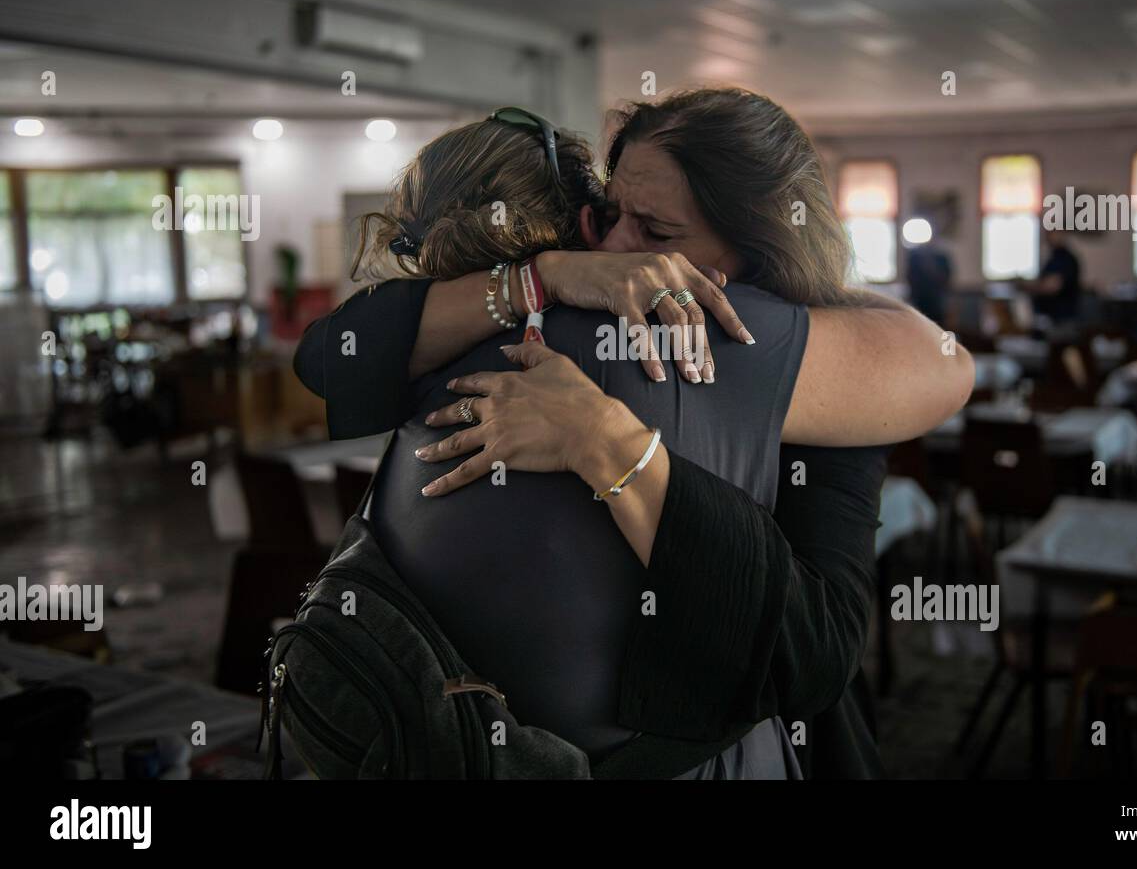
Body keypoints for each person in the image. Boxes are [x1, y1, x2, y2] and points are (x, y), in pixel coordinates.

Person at [296, 89, 974, 777]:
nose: (620, 251)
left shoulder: (727, 336)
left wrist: (606, 438)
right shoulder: (596, 314)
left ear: (758, 247)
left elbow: (817, 645)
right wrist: (551, 275)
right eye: (611, 216)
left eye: (656, 233)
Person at [1019, 227, 1081, 333]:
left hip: (1062, 321)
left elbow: (1052, 286)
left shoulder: (1067, 259)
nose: (1048, 236)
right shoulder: (1053, 258)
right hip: (1049, 320)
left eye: (1052, 233)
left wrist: (1028, 287)